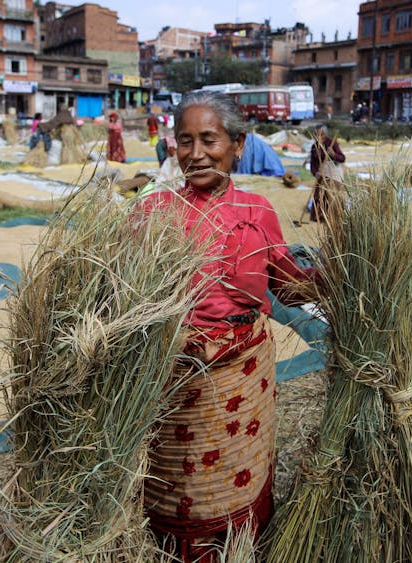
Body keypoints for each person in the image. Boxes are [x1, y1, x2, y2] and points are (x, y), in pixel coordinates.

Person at [133, 91, 317, 561]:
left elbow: (288, 288)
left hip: (242, 378)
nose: (195, 154)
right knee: (177, 480)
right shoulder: (152, 213)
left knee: (237, 477)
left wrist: (333, 279)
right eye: (185, 141)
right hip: (175, 379)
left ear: (238, 145)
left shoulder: (257, 211)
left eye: (209, 140)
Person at [309, 123, 346, 222]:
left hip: (333, 173)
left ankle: (334, 217)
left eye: (322, 134)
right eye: (317, 135)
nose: (319, 137)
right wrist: (315, 172)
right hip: (321, 172)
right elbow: (313, 163)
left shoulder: (332, 143)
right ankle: (318, 217)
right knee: (319, 195)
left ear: (326, 134)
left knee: (331, 195)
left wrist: (334, 154)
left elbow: (342, 158)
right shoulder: (314, 147)